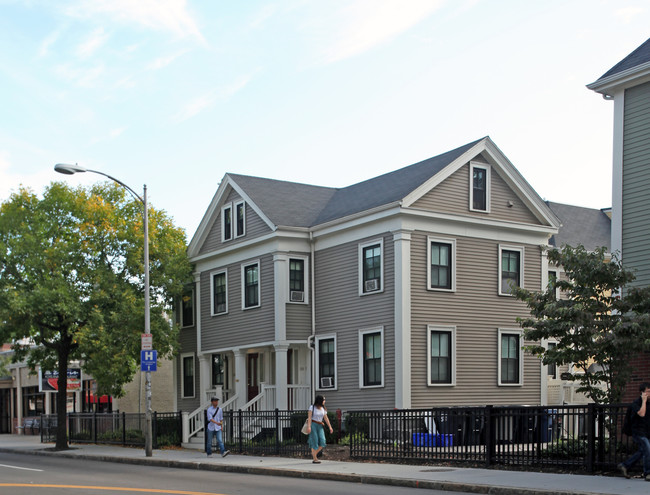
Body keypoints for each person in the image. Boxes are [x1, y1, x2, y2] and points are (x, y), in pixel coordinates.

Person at [618, 382, 650, 480]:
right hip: (638, 432)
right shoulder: (636, 403)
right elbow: (642, 414)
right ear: (642, 393)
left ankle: (625, 465)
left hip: (647, 432)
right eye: (648, 392)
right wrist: (644, 401)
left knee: (642, 451)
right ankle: (647, 473)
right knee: (648, 449)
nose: (649, 393)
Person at [306, 395, 333, 463]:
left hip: (320, 425)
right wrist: (309, 426)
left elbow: (326, 418)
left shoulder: (323, 409)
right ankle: (315, 458)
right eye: (323, 400)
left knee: (323, 441)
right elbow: (309, 417)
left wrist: (330, 427)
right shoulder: (312, 407)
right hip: (313, 424)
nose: (324, 401)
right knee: (314, 440)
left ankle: (314, 454)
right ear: (320, 400)